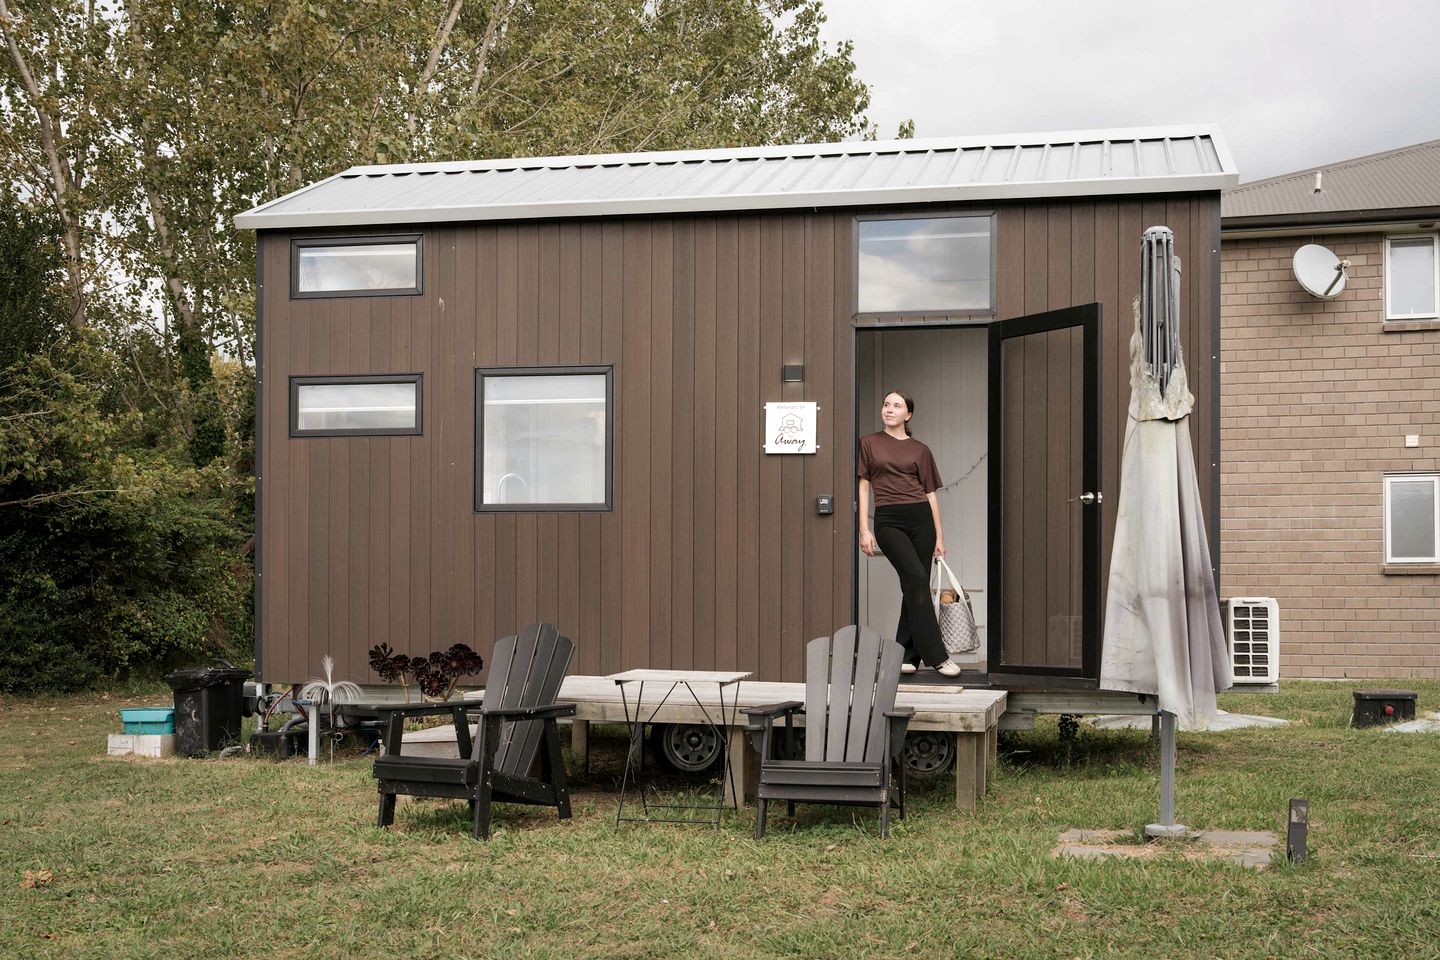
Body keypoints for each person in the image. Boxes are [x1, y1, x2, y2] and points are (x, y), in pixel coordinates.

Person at [857, 390, 962, 678]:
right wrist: (864, 529)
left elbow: (930, 494)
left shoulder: (920, 450)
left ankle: (907, 654)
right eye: (886, 404)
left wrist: (940, 536)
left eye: (897, 406)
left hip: (921, 520)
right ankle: (938, 656)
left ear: (908, 415)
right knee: (915, 579)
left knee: (913, 584)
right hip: (889, 520)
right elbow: (864, 485)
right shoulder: (869, 443)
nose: (889, 409)